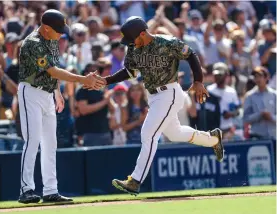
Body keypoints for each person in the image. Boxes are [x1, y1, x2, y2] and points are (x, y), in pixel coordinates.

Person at [86, 16, 224, 195]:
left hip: (170, 92)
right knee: (175, 134)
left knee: (148, 133)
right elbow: (130, 72)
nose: (130, 43)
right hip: (153, 95)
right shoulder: (133, 48)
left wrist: (198, 80)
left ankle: (135, 181)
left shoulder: (167, 42)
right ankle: (213, 139)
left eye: (132, 38)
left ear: (143, 34)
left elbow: (190, 54)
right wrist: (106, 81)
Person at [17, 9, 104, 204]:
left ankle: (50, 190)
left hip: (47, 93)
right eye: (58, 30)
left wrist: (57, 91)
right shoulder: (33, 42)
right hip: (30, 92)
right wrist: (83, 79)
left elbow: (53, 71)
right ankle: (26, 189)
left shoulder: (52, 40)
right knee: (32, 141)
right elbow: (52, 69)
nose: (61, 33)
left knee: (50, 143)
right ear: (46, 28)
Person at [207, 63, 240, 140]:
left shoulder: (231, 92)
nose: (217, 77)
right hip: (212, 131)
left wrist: (230, 114)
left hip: (227, 130)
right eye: (216, 75)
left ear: (226, 75)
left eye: (220, 75)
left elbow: (237, 111)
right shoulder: (208, 90)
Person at [243, 66, 276, 140]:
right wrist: (259, 115)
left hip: (274, 136)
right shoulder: (249, 96)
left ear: (267, 77)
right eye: (255, 77)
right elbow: (245, 118)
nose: (257, 79)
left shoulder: (274, 95)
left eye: (260, 76)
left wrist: (271, 117)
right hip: (256, 136)